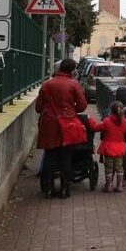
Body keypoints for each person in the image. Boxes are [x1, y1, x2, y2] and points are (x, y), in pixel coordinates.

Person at [36, 58, 88, 199]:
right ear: (72, 70)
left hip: (49, 123)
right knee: (66, 156)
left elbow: (38, 107)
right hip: (67, 123)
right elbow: (82, 105)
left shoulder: (47, 84)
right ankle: (65, 189)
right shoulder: (73, 84)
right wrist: (71, 109)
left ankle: (48, 189)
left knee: (50, 155)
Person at [90, 101, 126, 193]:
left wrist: (90, 119)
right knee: (119, 167)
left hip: (108, 149)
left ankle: (108, 186)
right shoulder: (125, 122)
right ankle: (119, 186)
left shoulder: (107, 121)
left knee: (109, 167)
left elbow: (95, 128)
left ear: (111, 111)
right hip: (119, 149)